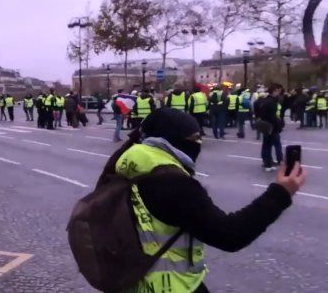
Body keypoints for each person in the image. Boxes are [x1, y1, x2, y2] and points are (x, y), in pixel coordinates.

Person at [107, 107, 306, 293]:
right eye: (194, 139)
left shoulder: (130, 165)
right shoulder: (172, 182)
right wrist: (281, 193)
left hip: (133, 283)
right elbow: (230, 234)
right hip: (170, 286)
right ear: (173, 140)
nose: (198, 145)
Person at [257, 84, 284, 172]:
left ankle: (266, 162)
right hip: (271, 126)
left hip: (265, 125)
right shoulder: (272, 102)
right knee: (268, 145)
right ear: (274, 91)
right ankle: (268, 164)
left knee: (266, 144)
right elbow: (273, 116)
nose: (279, 93)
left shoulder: (265, 100)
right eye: (278, 91)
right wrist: (278, 126)